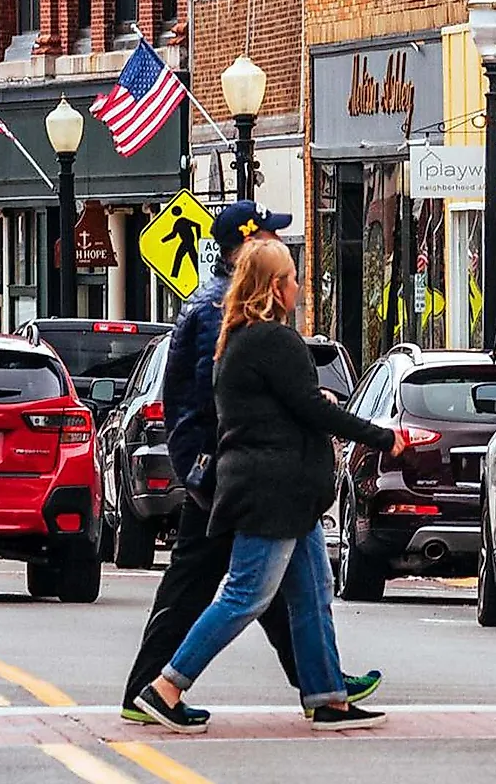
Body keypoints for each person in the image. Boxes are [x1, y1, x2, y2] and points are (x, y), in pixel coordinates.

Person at [124, 233, 398, 733]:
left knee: (314, 593)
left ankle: (328, 697)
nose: (298, 287)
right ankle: (165, 688)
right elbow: (309, 408)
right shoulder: (273, 339)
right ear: (274, 288)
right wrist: (383, 437)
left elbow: (281, 406)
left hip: (290, 493)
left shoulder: (242, 338)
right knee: (245, 596)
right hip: (271, 491)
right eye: (293, 279)